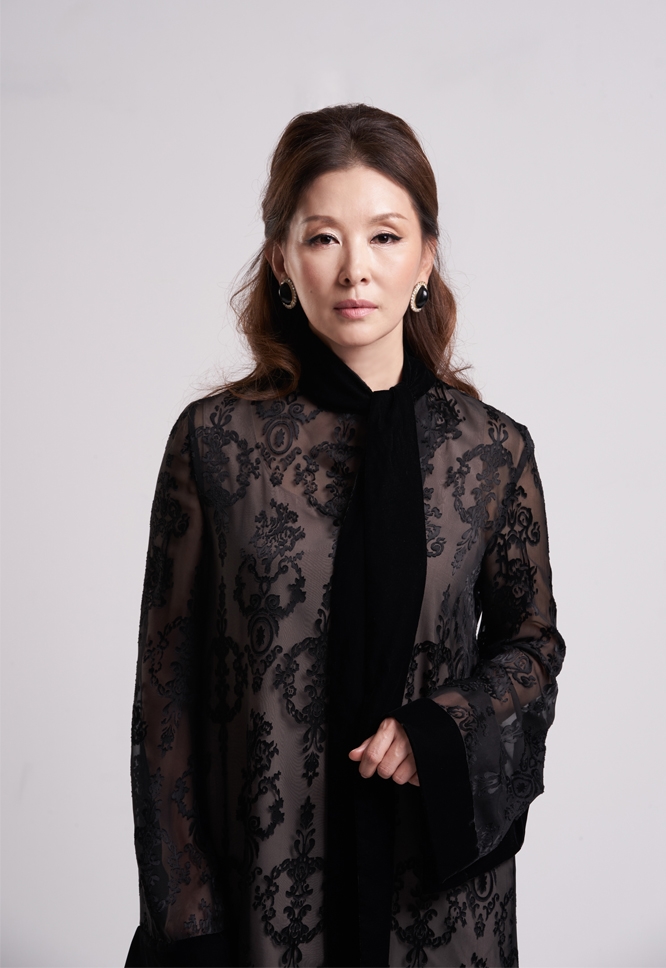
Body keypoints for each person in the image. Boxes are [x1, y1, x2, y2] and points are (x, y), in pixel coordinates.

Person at [125, 103, 565, 968]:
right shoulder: (215, 444)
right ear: (283, 260)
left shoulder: (491, 452)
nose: (355, 269)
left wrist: (442, 729)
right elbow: (164, 697)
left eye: (386, 237)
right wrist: (186, 921)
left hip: (437, 907)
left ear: (426, 257)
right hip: (262, 893)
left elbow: (532, 645)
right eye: (324, 237)